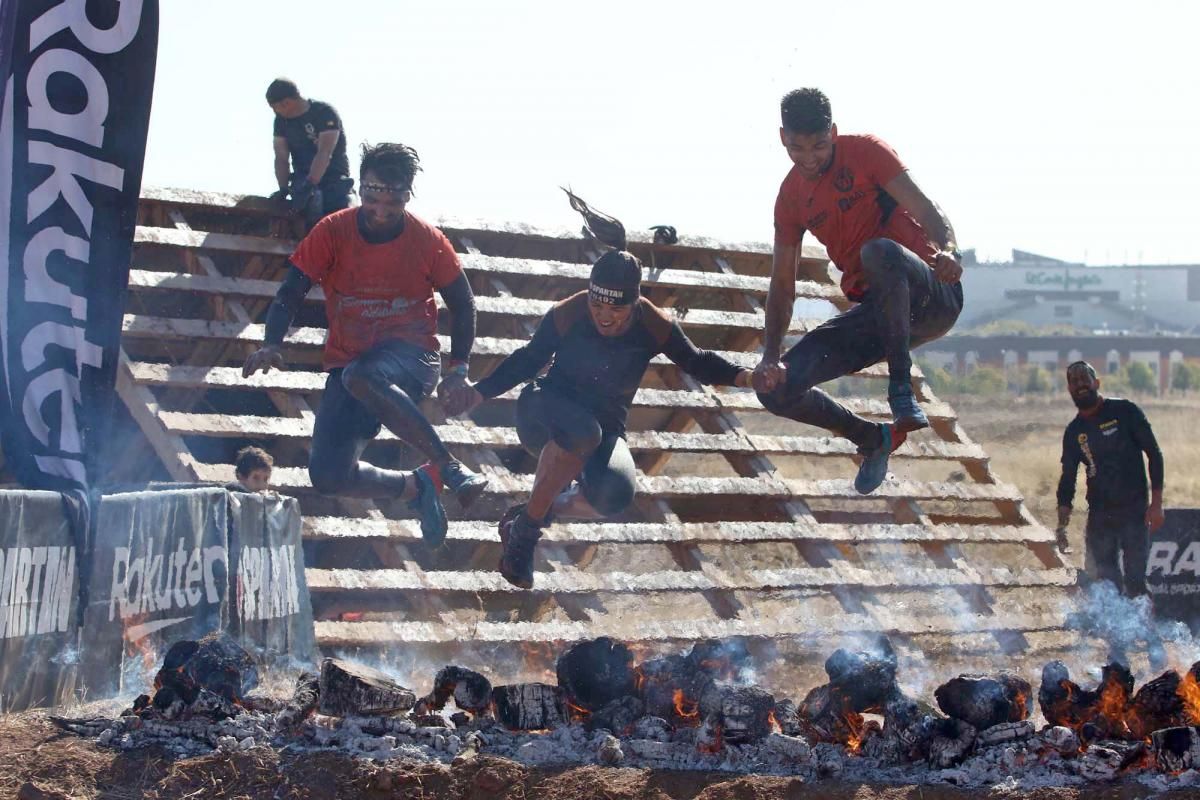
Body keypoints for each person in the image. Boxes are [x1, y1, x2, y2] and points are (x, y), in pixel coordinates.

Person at [443, 250, 756, 589]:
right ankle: (526, 536)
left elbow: (698, 363)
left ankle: (529, 514)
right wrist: (479, 392)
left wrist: (748, 378)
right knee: (582, 432)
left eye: (616, 309)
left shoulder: (653, 324)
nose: (604, 317)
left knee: (615, 495)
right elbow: (529, 359)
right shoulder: (571, 311)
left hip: (605, 425)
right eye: (598, 306)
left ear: (634, 304)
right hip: (544, 410)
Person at [243, 142, 486, 545]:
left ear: (408, 195)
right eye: (373, 197)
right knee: (329, 476)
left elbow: (463, 302)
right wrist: (272, 341)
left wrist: (459, 369)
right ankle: (416, 485)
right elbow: (291, 290)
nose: (381, 210)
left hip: (413, 358)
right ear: (361, 188)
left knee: (363, 374)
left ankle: (448, 466)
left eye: (394, 200)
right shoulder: (333, 231)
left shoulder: (427, 240)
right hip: (351, 365)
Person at [754, 88, 965, 494]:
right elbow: (782, 286)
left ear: (833, 132)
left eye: (818, 145)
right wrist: (769, 356)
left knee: (879, 252)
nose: (809, 157)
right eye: (797, 148)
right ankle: (873, 439)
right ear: (783, 138)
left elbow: (927, 210)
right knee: (776, 391)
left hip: (932, 293)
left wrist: (950, 253)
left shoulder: (867, 152)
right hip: (879, 313)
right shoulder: (790, 198)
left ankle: (901, 389)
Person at [1056, 360, 1165, 597]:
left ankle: (1142, 630)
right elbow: (1068, 479)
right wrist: (1062, 525)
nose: (1080, 385)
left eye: (1085, 379)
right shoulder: (1074, 431)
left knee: (1135, 581)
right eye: (1074, 382)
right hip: (1100, 516)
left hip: (1135, 512)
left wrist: (1156, 504)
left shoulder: (1125, 411)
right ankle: (1112, 632)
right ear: (1069, 390)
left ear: (1096, 382)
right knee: (1105, 584)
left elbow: (1154, 454)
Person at [266, 78, 354, 228]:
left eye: (275, 108)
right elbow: (281, 157)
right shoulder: (280, 121)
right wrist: (283, 188)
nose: (275, 112)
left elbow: (324, 152)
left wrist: (311, 183)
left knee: (345, 214)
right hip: (301, 179)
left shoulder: (324, 113)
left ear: (286, 103)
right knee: (301, 214)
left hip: (334, 179)